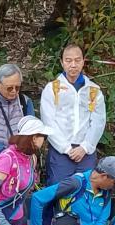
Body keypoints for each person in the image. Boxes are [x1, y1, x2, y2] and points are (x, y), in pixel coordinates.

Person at [39, 45, 107, 186]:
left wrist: (85, 147)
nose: (73, 65)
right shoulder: (52, 89)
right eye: (68, 60)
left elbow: (98, 122)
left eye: (77, 60)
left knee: (85, 191)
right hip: (60, 152)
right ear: (62, 62)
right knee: (58, 192)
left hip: (86, 152)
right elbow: (48, 122)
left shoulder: (93, 90)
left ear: (83, 61)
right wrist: (66, 149)